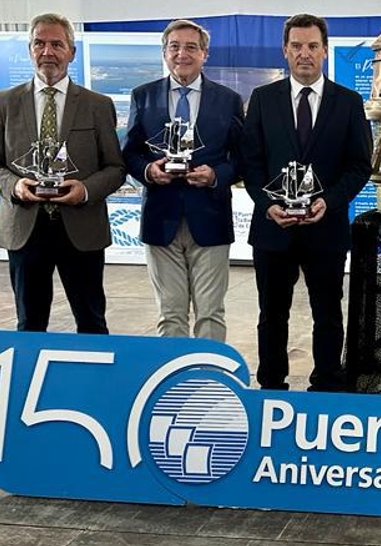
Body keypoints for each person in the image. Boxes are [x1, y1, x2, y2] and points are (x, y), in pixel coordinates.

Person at [241, 14, 373, 391]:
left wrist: (328, 203)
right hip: (272, 228)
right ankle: (270, 386)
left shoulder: (348, 102)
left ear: (325, 51)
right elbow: (250, 163)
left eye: (312, 46)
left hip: (325, 229)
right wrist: (268, 204)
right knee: (272, 316)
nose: (304, 54)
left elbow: (359, 164)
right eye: (296, 46)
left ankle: (327, 387)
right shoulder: (263, 100)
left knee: (329, 315)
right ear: (285, 50)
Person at [0, 12, 125, 334]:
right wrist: (15, 186)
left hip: (82, 230)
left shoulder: (97, 105)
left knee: (92, 323)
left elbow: (115, 168)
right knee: (29, 324)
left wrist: (84, 190)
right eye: (40, 43)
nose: (48, 52)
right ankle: (30, 383)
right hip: (25, 229)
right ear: (30, 49)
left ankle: (93, 385)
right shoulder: (5, 103)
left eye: (57, 44)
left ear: (71, 51)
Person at [122, 19, 244, 341]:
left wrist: (216, 175)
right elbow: (130, 154)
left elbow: (242, 159)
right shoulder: (143, 96)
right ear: (164, 52)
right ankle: (175, 386)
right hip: (161, 219)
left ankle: (210, 384)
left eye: (191, 47)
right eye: (174, 46)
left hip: (211, 217)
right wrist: (149, 171)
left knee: (210, 313)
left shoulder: (228, 100)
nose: (182, 54)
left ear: (205, 54)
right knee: (170, 313)